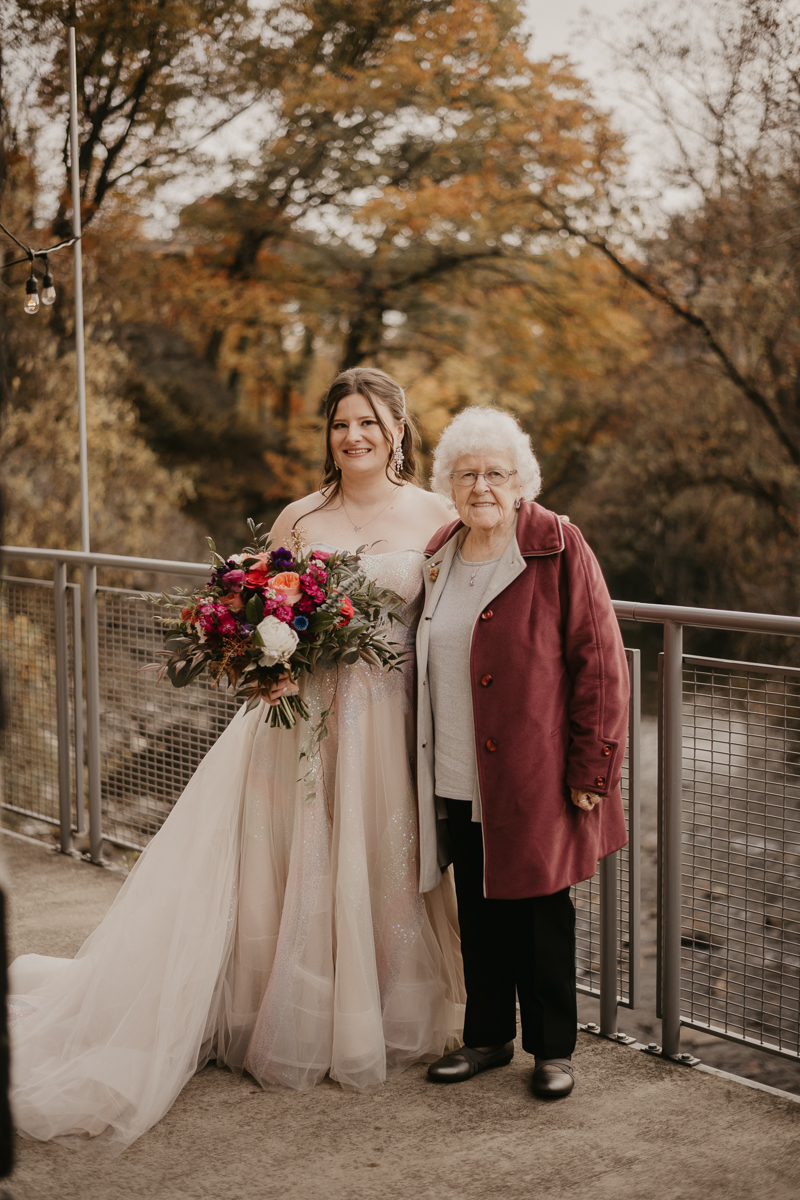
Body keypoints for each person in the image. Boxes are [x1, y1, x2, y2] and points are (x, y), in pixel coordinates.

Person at [9, 367, 464, 1155]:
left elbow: (457, 618)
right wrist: (265, 655)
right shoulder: (302, 516)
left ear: (398, 428)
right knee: (287, 864)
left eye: (367, 423)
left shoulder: (438, 517)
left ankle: (382, 1011)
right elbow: (254, 611)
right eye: (338, 425)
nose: (352, 437)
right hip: (299, 721)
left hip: (391, 722)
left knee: (387, 860)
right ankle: (276, 1011)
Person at [416, 407, 629, 1099]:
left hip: (535, 767)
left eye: (496, 473)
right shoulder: (442, 549)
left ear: (520, 481)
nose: (482, 485)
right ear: (449, 483)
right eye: (467, 473)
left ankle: (552, 1049)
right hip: (456, 761)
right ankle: (486, 1038)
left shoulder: (558, 543)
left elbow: (599, 660)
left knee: (540, 909)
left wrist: (592, 765)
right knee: (477, 905)